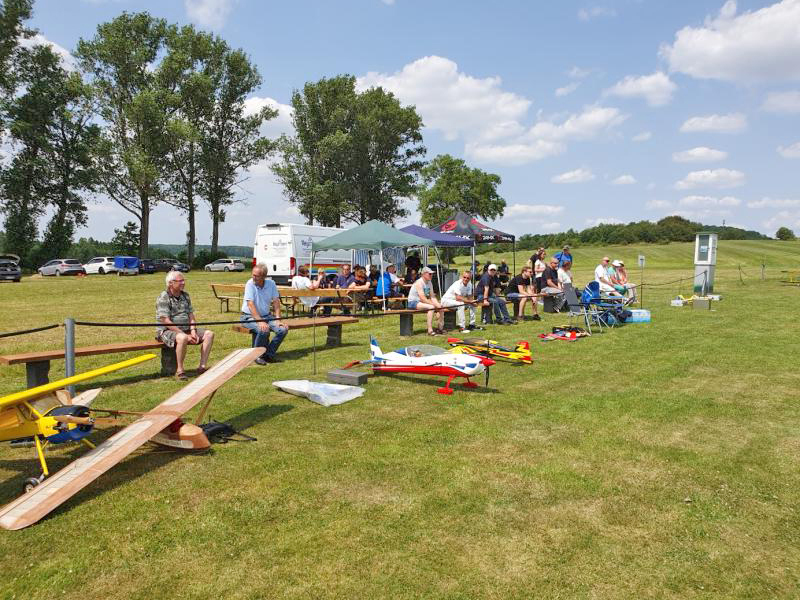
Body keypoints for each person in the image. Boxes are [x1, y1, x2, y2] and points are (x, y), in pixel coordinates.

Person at [156, 270, 215, 381]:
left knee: (209, 334)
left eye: (184, 280)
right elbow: (165, 321)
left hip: (186, 329)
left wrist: (192, 331)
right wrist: (184, 334)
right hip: (166, 331)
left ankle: (202, 367)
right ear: (170, 283)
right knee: (182, 338)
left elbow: (191, 315)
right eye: (180, 281)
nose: (183, 283)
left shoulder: (185, 295)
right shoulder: (164, 297)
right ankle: (180, 370)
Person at [240, 263, 287, 365]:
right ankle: (257, 356)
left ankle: (268, 355)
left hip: (266, 316)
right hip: (248, 316)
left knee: (283, 330)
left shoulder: (271, 284)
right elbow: (250, 304)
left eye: (256, 276)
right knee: (263, 329)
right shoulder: (250, 284)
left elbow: (276, 301)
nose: (253, 277)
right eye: (253, 274)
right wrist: (260, 321)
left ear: (264, 276)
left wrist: (278, 319)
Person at [408, 266, 445, 335]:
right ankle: (430, 330)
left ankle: (440, 328)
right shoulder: (419, 283)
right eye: (429, 274)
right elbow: (422, 298)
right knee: (431, 307)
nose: (431, 275)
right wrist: (434, 305)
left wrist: (438, 305)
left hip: (421, 302)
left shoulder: (429, 282)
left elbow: (432, 296)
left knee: (441, 307)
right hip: (413, 302)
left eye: (432, 274)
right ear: (424, 274)